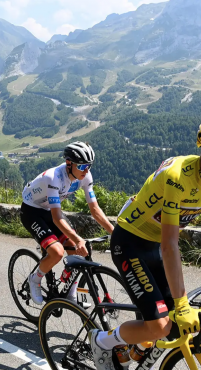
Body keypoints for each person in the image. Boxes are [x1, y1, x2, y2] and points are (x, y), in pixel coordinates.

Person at [89, 130, 201, 370]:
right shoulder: (178, 177)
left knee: (175, 327)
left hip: (155, 245)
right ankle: (102, 341)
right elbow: (170, 244)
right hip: (130, 242)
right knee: (161, 325)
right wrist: (181, 304)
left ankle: (135, 349)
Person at [21, 141, 114, 305]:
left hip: (49, 210)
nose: (86, 171)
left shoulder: (85, 176)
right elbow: (57, 217)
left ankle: (71, 293)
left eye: (89, 166)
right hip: (32, 211)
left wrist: (115, 232)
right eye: (82, 166)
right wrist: (78, 239)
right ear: (69, 164)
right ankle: (35, 279)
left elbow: (95, 209)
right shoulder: (54, 178)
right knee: (57, 252)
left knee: (78, 252)